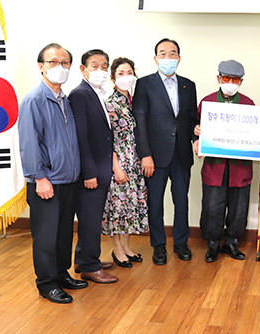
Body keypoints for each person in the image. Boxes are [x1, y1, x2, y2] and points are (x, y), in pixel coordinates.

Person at [19, 43, 87, 303]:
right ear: (41, 67)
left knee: (63, 233)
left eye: (65, 62)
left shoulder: (65, 100)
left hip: (68, 180)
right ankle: (47, 283)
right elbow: (29, 143)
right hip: (46, 182)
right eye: (53, 62)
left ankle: (61, 273)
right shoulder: (34, 100)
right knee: (46, 236)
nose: (60, 67)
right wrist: (40, 178)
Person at [133, 38, 198, 265]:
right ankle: (158, 245)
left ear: (179, 58)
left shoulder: (188, 85)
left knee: (182, 200)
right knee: (156, 202)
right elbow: (139, 121)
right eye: (163, 53)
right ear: (155, 58)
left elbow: (191, 120)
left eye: (173, 54)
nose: (168, 58)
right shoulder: (144, 84)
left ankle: (181, 242)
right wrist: (145, 155)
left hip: (181, 154)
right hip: (155, 156)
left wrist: (196, 137)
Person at [192, 60, 255, 263]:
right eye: (226, 78)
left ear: (241, 81)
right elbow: (195, 128)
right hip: (215, 165)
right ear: (218, 78)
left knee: (239, 206)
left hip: (239, 167)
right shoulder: (207, 103)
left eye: (234, 79)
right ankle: (212, 244)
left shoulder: (248, 104)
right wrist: (196, 135)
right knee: (212, 205)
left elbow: (256, 134)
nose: (229, 82)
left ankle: (231, 242)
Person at [70, 49, 118, 284]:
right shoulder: (80, 94)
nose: (101, 70)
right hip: (91, 172)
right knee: (89, 221)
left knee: (92, 217)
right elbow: (81, 137)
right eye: (95, 65)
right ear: (83, 69)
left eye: (104, 66)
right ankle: (91, 265)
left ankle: (82, 259)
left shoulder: (96, 93)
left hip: (101, 168)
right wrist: (89, 172)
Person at [102, 57, 149, 268]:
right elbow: (107, 139)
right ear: (113, 78)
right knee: (118, 208)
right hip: (118, 162)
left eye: (129, 72)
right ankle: (117, 249)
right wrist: (116, 168)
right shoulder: (110, 104)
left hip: (134, 161)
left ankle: (127, 247)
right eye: (121, 73)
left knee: (131, 206)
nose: (126, 76)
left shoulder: (134, 102)